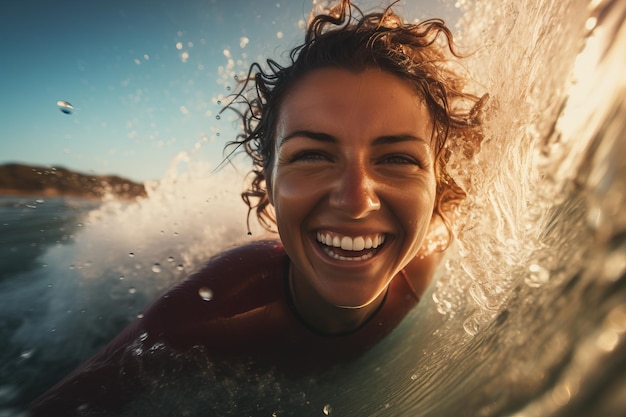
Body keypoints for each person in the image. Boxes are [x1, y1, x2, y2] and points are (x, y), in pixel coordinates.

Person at [29, 0, 483, 414]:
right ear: (266, 178)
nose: (356, 200)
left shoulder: (431, 252)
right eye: (312, 155)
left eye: (398, 159)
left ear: (438, 183)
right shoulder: (200, 323)